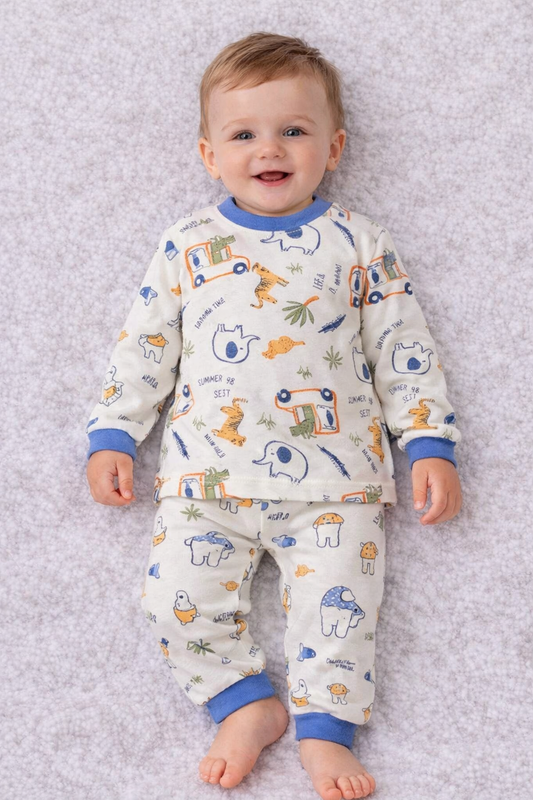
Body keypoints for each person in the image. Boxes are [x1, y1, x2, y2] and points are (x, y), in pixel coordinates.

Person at [86, 31, 462, 800]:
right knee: (171, 601)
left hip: (336, 486)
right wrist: (114, 432)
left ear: (334, 147)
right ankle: (242, 702)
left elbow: (403, 349)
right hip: (207, 481)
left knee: (340, 616)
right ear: (208, 154)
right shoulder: (188, 245)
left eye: (293, 129)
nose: (269, 149)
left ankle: (326, 731)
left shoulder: (358, 243)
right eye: (243, 134)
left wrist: (428, 441)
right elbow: (146, 344)